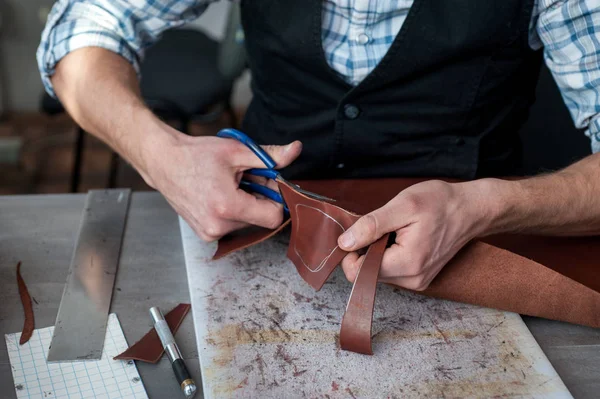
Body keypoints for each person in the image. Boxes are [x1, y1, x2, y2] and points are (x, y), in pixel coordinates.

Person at [37, 1, 600, 291]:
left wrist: (493, 206)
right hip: (259, 241)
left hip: (466, 257)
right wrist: (163, 157)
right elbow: (80, 30)